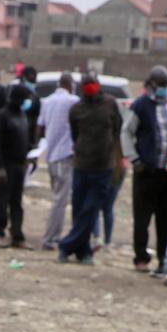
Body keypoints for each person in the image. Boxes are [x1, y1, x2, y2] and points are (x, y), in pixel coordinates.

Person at [56, 74, 125, 263]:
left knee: (91, 208)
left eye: (92, 84)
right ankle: (83, 251)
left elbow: (117, 129)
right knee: (79, 209)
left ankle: (66, 246)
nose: (90, 88)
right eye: (86, 85)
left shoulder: (110, 104)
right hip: (81, 166)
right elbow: (74, 134)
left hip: (103, 168)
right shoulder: (76, 109)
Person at [129, 67, 167, 272]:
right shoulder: (141, 105)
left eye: (164, 85)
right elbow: (127, 133)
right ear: (151, 85)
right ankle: (141, 257)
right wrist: (135, 159)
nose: (161, 89)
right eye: (158, 86)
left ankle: (163, 258)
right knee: (142, 217)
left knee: (166, 217)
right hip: (147, 171)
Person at [0, 68, 33, 247]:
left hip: (21, 165)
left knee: (17, 201)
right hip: (7, 165)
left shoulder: (22, 115)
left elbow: (25, 138)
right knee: (3, 200)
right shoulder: (3, 116)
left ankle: (17, 235)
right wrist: (0, 168)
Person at [34, 75, 78, 250]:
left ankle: (53, 236)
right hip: (64, 156)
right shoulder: (73, 101)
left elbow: (40, 127)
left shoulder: (47, 102)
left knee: (57, 198)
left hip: (51, 156)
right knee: (60, 201)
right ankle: (50, 238)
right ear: (70, 85)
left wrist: (36, 148)